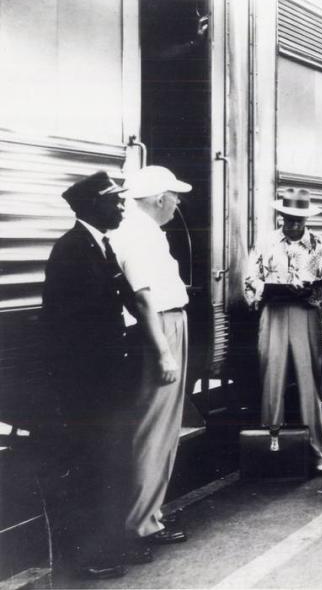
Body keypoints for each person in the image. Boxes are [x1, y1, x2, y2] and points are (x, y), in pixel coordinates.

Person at [40, 171, 135, 579]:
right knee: (88, 467)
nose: (121, 205)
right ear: (92, 205)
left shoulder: (98, 246)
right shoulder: (72, 251)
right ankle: (86, 558)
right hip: (85, 386)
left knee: (106, 464)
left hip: (105, 381)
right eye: (114, 201)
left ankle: (107, 547)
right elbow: (65, 327)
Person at [111, 166, 192, 549]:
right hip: (161, 326)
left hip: (166, 323)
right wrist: (164, 353)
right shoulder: (138, 235)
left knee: (157, 425)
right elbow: (144, 298)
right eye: (175, 196)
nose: (178, 204)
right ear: (160, 198)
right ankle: (143, 521)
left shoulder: (142, 231)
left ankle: (147, 513)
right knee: (155, 427)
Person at [244, 188, 322, 474]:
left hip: (305, 314)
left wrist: (308, 289)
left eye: (298, 220)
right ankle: (272, 446)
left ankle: (317, 451)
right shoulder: (265, 242)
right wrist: (262, 290)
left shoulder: (321, 244)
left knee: (310, 380)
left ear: (306, 218)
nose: (293, 225)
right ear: (280, 216)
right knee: (272, 376)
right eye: (288, 218)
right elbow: (250, 278)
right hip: (273, 312)